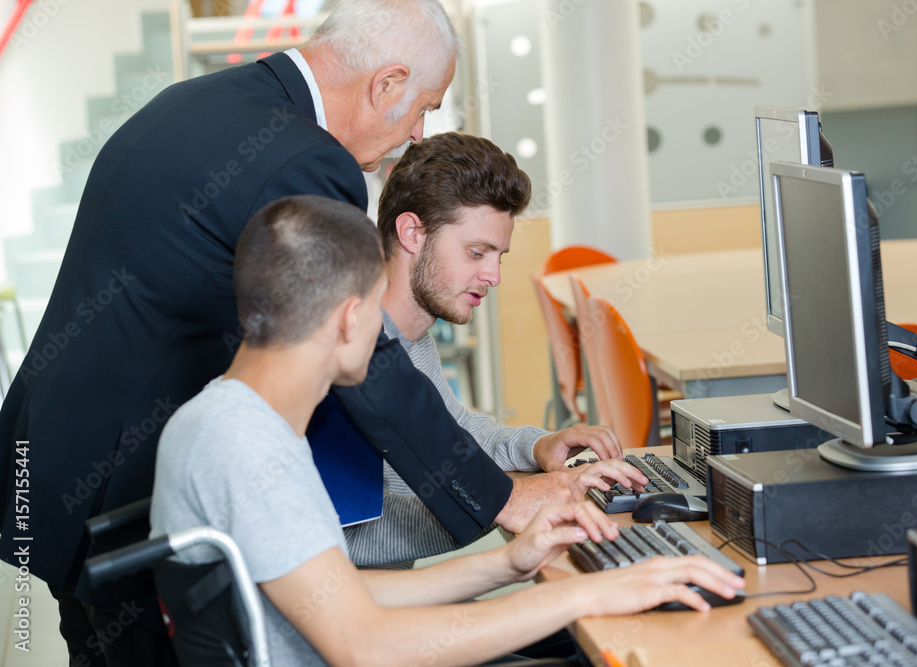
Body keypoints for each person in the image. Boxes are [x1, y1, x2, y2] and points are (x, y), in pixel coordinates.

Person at [0, 1, 621, 664]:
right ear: (384, 83)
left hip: (66, 448)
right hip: (117, 481)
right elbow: (371, 368)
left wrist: (513, 524)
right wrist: (506, 498)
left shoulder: (207, 102)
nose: (418, 132)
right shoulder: (305, 160)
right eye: (422, 108)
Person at [149, 194, 745, 666]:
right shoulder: (248, 447)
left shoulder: (230, 420)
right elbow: (365, 646)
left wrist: (509, 565)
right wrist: (585, 592)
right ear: (353, 318)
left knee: (581, 633)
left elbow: (339, 596)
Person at [345, 132, 646, 566]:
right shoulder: (349, 354)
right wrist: (507, 501)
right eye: (476, 252)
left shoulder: (410, 337)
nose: (493, 276)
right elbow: (342, 539)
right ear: (412, 233)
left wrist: (538, 448)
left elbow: (457, 429)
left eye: (498, 256)